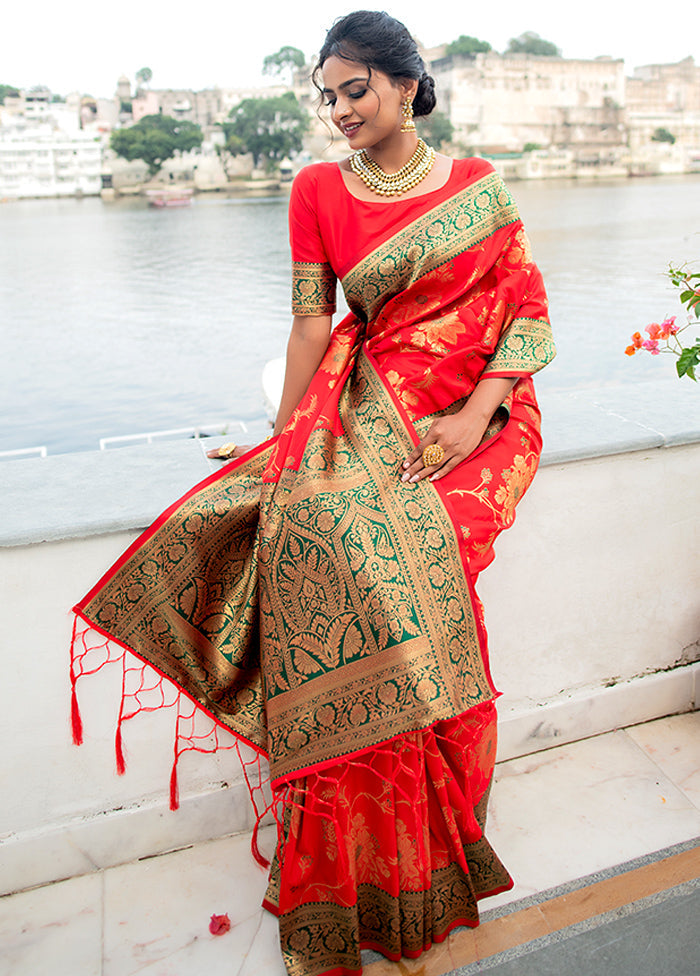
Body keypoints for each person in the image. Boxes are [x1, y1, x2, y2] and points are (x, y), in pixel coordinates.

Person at [71, 10, 555, 976]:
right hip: (367, 402)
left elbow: (529, 312)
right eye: (326, 96)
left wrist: (475, 417)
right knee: (312, 538)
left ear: (410, 85)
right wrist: (289, 439)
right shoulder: (315, 191)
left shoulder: (480, 188)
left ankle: (436, 831)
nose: (338, 111)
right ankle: (352, 855)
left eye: (355, 90)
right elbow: (308, 328)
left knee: (414, 574)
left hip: (481, 416)